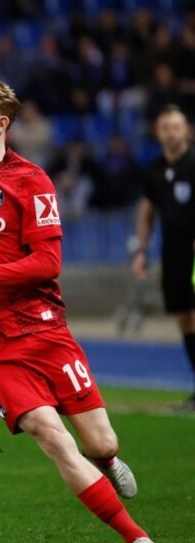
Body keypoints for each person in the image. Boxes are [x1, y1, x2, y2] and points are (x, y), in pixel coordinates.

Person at [0, 78, 159, 543]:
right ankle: (138, 538)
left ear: (0, 124)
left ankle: (108, 461)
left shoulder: (32, 182)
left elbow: (46, 264)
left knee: (100, 440)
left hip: (44, 329)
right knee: (52, 436)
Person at [132, 104, 195, 411]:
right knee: (184, 318)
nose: (171, 132)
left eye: (176, 126)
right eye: (165, 127)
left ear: (187, 131)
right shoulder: (155, 170)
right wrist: (141, 250)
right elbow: (147, 212)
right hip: (172, 253)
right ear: (158, 133)